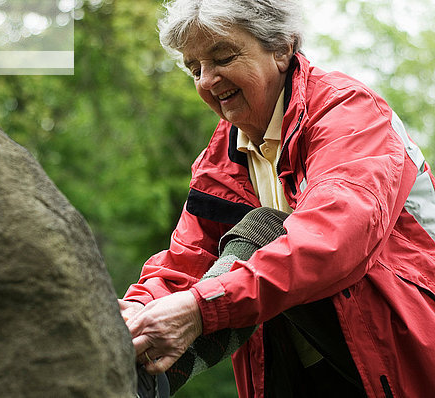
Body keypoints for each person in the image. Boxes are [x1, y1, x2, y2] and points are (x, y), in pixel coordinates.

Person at [119, 0, 435, 397]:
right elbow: (185, 263)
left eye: (223, 57)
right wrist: (133, 316)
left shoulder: (348, 113)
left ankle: (143, 383)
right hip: (293, 367)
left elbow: (331, 239)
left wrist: (202, 309)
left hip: (395, 351)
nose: (207, 80)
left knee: (264, 226)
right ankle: (131, 373)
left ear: (282, 49)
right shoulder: (219, 162)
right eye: (195, 68)